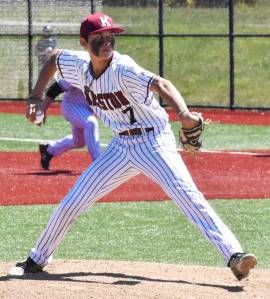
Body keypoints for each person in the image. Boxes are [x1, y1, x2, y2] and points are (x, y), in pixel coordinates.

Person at [10, 13, 257, 280]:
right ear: (84, 42)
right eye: (99, 38)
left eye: (110, 36)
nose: (107, 41)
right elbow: (53, 58)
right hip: (120, 145)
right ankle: (36, 259)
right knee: (73, 201)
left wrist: (184, 115)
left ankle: (235, 256)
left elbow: (161, 83)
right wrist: (36, 96)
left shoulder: (123, 68)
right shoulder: (79, 65)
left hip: (153, 141)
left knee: (186, 195)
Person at [38, 78, 101, 170]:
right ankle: (98, 164)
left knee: (79, 142)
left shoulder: (108, 73)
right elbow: (56, 88)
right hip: (71, 106)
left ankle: (49, 149)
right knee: (91, 122)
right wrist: (42, 110)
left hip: (86, 110)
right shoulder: (81, 70)